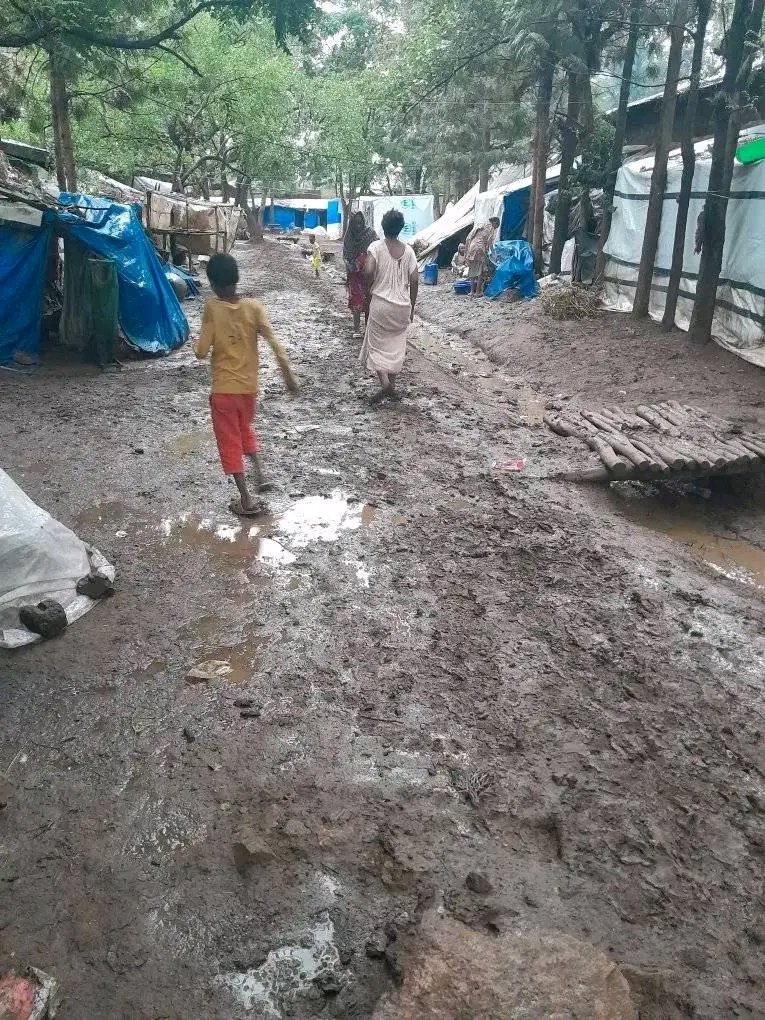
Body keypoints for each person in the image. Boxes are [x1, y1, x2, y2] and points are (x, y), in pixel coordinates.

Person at [194, 252, 297, 517]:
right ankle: (260, 475)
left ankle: (246, 499)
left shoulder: (212, 308)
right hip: (249, 390)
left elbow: (201, 351)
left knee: (229, 441)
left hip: (223, 392)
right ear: (236, 278)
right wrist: (288, 376)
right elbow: (275, 344)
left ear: (213, 283)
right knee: (245, 430)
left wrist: (208, 332)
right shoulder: (254, 307)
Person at [361, 208, 419, 403]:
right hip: (402, 306)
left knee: (376, 345)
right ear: (400, 228)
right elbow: (415, 279)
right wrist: (412, 306)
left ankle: (385, 384)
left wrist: (367, 289)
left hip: (381, 305)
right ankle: (392, 388)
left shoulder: (376, 247)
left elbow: (368, 270)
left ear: (383, 227)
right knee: (395, 346)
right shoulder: (409, 251)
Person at [343, 211, 378, 339]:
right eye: (355, 223)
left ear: (363, 222)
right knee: (356, 300)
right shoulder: (349, 237)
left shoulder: (371, 234)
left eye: (360, 222)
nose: (358, 225)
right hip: (354, 275)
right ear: (351, 224)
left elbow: (378, 249)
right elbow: (346, 256)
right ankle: (357, 329)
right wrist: (355, 265)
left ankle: (368, 329)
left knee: (369, 300)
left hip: (369, 275)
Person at [465, 215, 500, 297]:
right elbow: (489, 243)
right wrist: (494, 253)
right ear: (494, 223)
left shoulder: (481, 224)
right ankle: (477, 292)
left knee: (472, 270)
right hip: (479, 249)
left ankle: (471, 292)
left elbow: (469, 237)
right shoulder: (490, 228)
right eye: (496, 226)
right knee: (480, 271)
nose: (495, 228)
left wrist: (467, 250)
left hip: (472, 247)